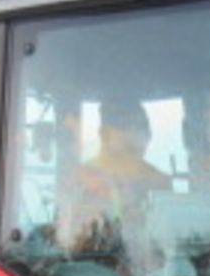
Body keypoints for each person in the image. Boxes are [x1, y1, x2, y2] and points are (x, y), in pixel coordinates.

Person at [64, 98, 173, 263]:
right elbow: (72, 242)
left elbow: (170, 238)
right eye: (129, 129)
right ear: (104, 134)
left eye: (142, 129)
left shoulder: (158, 181)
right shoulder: (82, 178)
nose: (140, 136)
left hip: (147, 267)